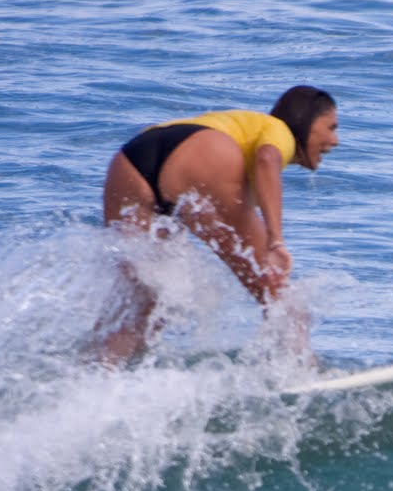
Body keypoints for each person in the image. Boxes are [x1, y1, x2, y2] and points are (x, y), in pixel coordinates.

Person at [99, 85, 340, 361]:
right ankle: (301, 372)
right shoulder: (280, 130)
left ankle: (96, 370)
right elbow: (267, 158)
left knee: (143, 301)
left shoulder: (244, 125)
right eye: (331, 128)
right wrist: (275, 240)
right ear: (305, 121)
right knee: (281, 295)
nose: (335, 140)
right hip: (202, 149)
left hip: (132, 158)